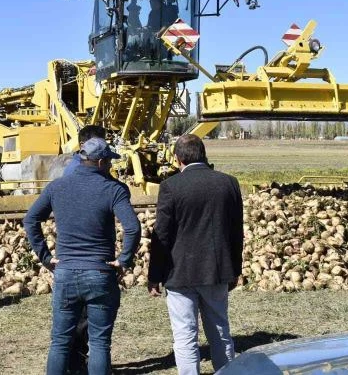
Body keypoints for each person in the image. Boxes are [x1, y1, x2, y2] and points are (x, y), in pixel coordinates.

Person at [24, 137, 141, 375]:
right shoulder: (114, 189)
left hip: (65, 271)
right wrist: (124, 259)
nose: (110, 165)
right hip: (100, 273)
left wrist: (45, 257)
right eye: (108, 161)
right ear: (99, 162)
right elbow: (132, 227)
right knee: (99, 343)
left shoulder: (57, 187)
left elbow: (31, 220)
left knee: (60, 342)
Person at [147, 134, 243, 375]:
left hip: (180, 274)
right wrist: (235, 270)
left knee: (185, 336)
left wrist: (154, 275)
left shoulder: (170, 186)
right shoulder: (229, 183)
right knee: (220, 332)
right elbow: (236, 232)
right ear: (204, 154)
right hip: (217, 270)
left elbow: (162, 235)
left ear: (177, 158)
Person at [61, 124, 108, 372]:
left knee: (73, 319)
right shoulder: (87, 174)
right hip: (90, 259)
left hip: (70, 257)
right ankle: (78, 365)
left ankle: (75, 363)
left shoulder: (69, 171)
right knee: (86, 323)